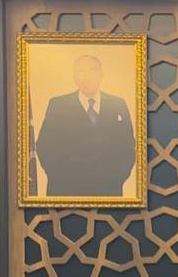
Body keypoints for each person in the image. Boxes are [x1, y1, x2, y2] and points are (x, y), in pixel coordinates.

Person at [35, 54, 136, 197]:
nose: (86, 77)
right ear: (74, 77)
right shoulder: (58, 105)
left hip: (107, 192)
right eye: (81, 71)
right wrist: (61, 179)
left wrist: (115, 180)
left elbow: (128, 146)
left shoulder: (118, 104)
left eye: (91, 70)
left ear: (101, 74)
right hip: (66, 192)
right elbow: (44, 146)